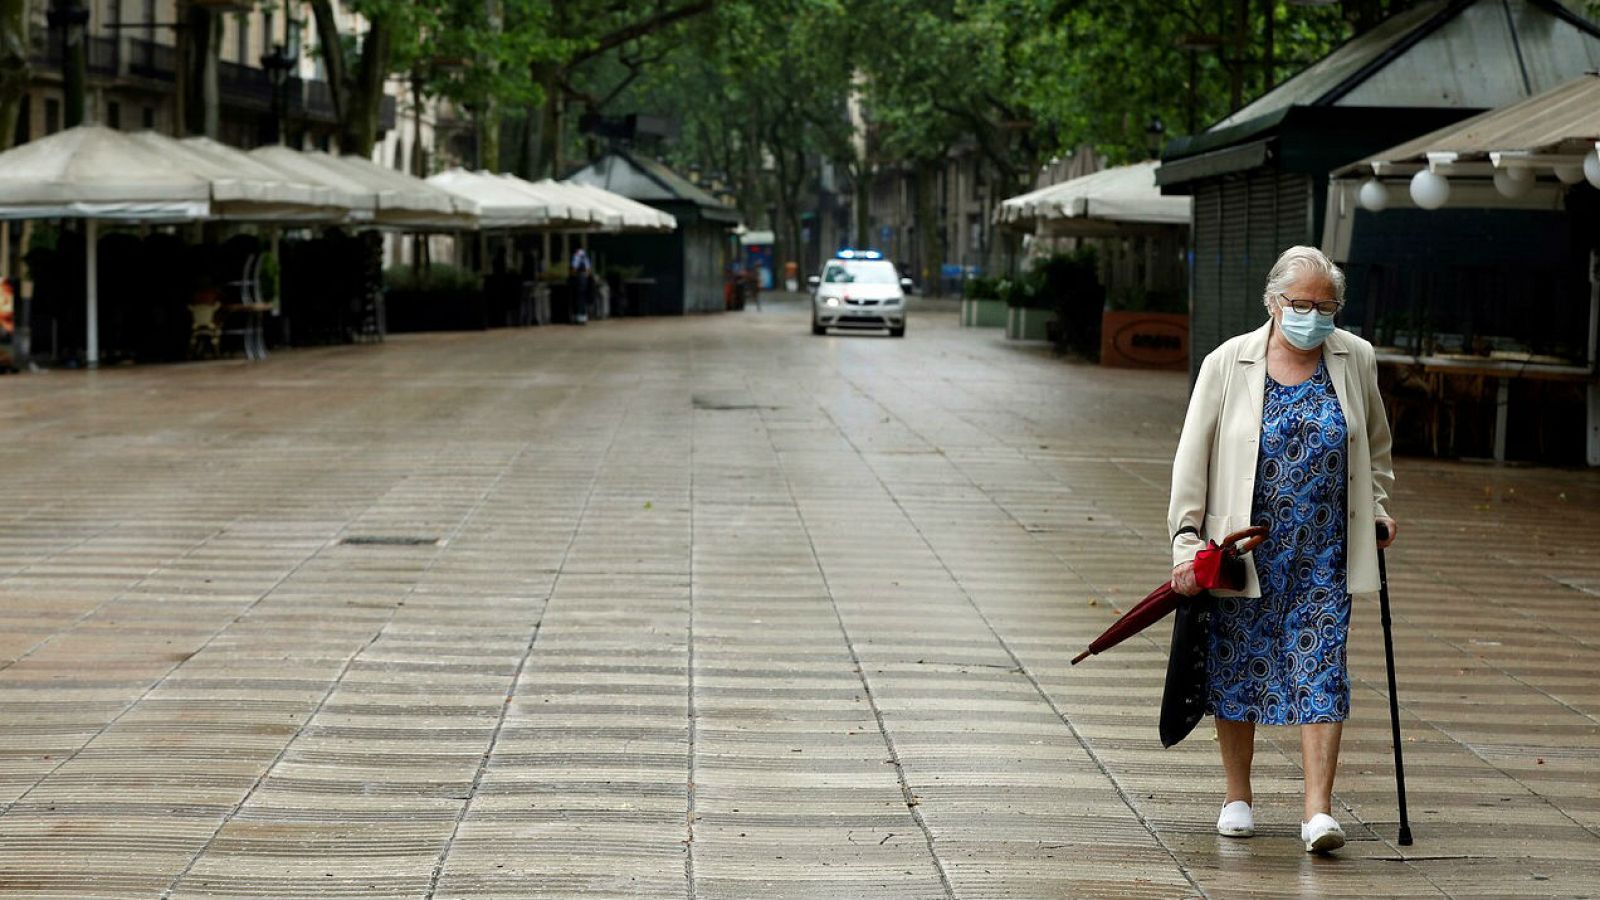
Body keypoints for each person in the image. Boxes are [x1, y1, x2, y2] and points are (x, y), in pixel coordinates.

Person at [1167, 245, 1396, 855]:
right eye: (1302, 304)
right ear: (1273, 303)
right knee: (1237, 666)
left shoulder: (1355, 358)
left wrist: (1373, 509)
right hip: (1245, 547)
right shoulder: (1228, 361)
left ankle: (1317, 813)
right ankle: (1237, 797)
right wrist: (1186, 542)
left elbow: (1374, 445)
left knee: (1323, 667)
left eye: (1327, 305)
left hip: (1325, 550)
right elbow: (1193, 459)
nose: (1315, 316)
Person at [570, 247, 592, 325]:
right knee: (583, 298)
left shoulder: (576, 256)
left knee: (577, 298)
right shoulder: (585, 256)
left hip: (578, 279)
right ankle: (583, 317)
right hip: (584, 279)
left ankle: (577, 318)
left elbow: (574, 268)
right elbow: (589, 270)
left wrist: (573, 275)